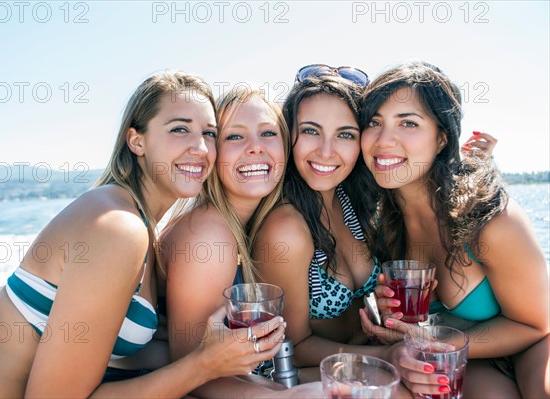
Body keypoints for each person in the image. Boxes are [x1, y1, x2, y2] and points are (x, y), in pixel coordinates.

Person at [0, 72, 288, 398]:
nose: (200, 147)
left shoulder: (140, 224)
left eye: (209, 133)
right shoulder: (119, 227)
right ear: (137, 141)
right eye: (180, 129)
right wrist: (204, 365)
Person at [253, 66, 455, 397]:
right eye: (310, 131)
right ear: (289, 135)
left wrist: (386, 316)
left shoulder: (355, 203)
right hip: (292, 374)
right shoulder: (286, 228)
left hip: (359, 357)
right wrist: (387, 357)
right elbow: (291, 345)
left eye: (345, 134)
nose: (327, 151)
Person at [358, 61, 549, 398]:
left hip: (531, 340)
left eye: (408, 123)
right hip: (466, 355)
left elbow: (536, 324)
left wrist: (438, 341)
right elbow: (417, 330)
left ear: (442, 137)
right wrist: (393, 321)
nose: (384, 139)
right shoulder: (384, 227)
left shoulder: (491, 220)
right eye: (374, 122)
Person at [159, 85, 323, 397]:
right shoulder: (208, 233)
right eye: (235, 136)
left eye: (268, 133)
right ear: (213, 152)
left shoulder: (258, 223)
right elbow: (192, 371)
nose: (255, 148)